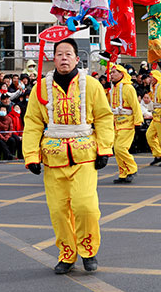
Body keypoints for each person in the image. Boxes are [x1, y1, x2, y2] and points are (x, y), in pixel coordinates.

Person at [22, 38, 114, 274]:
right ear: (53, 58)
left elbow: (104, 117)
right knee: (58, 211)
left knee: (86, 207)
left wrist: (104, 148)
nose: (63, 58)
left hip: (84, 155)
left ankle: (88, 250)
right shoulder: (40, 88)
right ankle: (67, 254)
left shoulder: (91, 85)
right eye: (59, 54)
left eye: (68, 54)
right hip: (53, 158)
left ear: (76, 58)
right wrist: (31, 154)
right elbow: (32, 122)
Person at [108, 64, 143, 183]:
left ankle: (132, 168)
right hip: (116, 124)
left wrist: (138, 122)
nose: (111, 75)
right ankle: (123, 174)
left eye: (114, 72)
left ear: (121, 74)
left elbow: (135, 106)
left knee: (120, 148)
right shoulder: (113, 89)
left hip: (127, 124)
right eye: (111, 72)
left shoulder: (128, 88)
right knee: (117, 150)